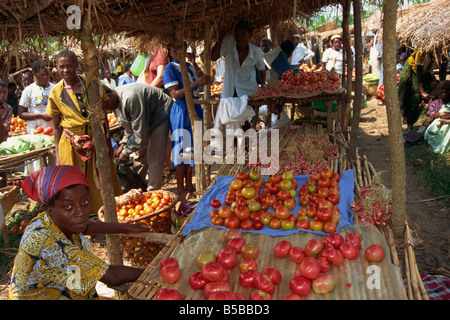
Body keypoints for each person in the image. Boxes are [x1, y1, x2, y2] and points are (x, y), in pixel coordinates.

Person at [9, 165, 151, 300]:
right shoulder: (47, 241)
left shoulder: (53, 221)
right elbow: (112, 276)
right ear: (49, 208)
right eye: (68, 206)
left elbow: (87, 226)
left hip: (61, 287)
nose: (81, 213)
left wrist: (127, 228)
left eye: (84, 202)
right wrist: (155, 270)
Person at [46, 50, 122, 213]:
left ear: (76, 66)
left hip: (96, 142)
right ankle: (80, 220)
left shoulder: (91, 85)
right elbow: (56, 126)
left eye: (69, 66)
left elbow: (107, 106)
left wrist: (114, 97)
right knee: (74, 184)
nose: (65, 70)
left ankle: (104, 215)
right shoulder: (56, 92)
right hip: (71, 146)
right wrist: (58, 155)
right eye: (61, 67)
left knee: (102, 182)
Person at [102, 83, 173, 191]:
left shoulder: (130, 97)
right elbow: (129, 126)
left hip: (159, 115)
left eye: (106, 105)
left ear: (110, 95)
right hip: (144, 120)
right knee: (139, 156)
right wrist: (123, 144)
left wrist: (126, 152)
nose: (107, 109)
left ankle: (152, 192)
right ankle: (137, 186)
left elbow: (140, 133)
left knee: (154, 156)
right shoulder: (115, 102)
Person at [162, 47, 211, 199]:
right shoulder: (169, 69)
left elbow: (205, 80)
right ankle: (180, 189)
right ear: (173, 52)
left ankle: (190, 185)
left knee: (192, 148)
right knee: (180, 149)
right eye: (179, 50)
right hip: (182, 110)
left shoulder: (189, 67)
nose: (182, 53)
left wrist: (194, 64)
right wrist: (195, 84)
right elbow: (175, 94)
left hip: (194, 107)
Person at [211, 20, 266, 99]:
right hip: (229, 94)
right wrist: (222, 35)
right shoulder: (229, 44)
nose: (239, 38)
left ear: (250, 35)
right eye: (237, 34)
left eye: (243, 34)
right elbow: (213, 57)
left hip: (249, 94)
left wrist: (263, 85)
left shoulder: (256, 51)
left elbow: (262, 68)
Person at [398, 49, 436, 133]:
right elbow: (418, 72)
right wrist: (422, 91)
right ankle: (409, 124)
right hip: (413, 71)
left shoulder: (440, 53)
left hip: (424, 73)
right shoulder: (421, 52)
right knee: (414, 96)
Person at [18, 60, 54, 135]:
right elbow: (21, 114)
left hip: (53, 131)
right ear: (34, 75)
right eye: (41, 75)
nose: (45, 77)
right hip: (35, 131)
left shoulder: (55, 88)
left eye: (47, 74)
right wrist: (40, 115)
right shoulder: (29, 90)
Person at [424, 80, 450, 154]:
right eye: (442, 89)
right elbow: (430, 115)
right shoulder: (434, 103)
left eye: (447, 89)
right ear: (439, 90)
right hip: (436, 129)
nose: (444, 91)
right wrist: (439, 115)